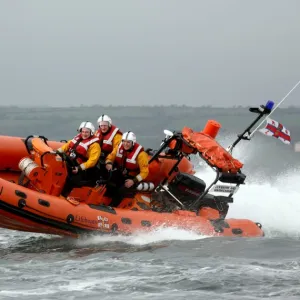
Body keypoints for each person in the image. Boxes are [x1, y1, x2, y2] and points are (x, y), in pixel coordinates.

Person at [57, 121, 101, 198]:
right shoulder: (77, 138)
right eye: (83, 131)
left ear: (91, 132)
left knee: (71, 179)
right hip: (71, 161)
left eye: (87, 132)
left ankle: (63, 195)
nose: (84, 134)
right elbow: (67, 146)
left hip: (82, 168)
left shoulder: (95, 145)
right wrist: (57, 152)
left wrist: (79, 168)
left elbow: (92, 161)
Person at [105, 131, 149, 207]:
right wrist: (109, 163)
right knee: (108, 180)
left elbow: (144, 172)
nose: (125, 144)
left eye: (128, 142)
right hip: (121, 173)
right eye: (124, 142)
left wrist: (133, 181)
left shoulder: (141, 154)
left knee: (122, 190)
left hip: (133, 178)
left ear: (133, 143)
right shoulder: (118, 148)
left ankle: (113, 206)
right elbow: (110, 157)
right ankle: (105, 200)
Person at [94, 114, 122, 179]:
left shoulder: (117, 136)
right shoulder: (97, 133)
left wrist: (109, 161)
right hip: (98, 157)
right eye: (101, 126)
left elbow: (116, 150)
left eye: (105, 125)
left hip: (111, 159)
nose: (103, 128)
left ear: (109, 125)